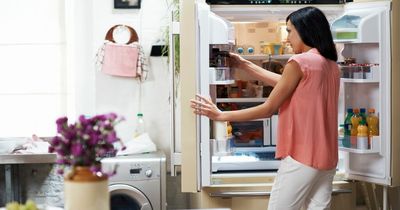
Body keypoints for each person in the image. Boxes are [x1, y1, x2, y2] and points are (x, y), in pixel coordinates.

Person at [190, 6, 340, 210]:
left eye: (289, 31)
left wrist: (220, 114)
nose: (287, 39)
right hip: (327, 158)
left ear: (305, 30)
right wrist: (245, 64)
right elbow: (285, 83)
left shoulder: (299, 62)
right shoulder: (329, 64)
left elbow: (268, 108)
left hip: (303, 156)